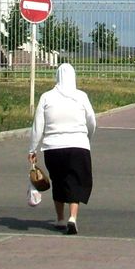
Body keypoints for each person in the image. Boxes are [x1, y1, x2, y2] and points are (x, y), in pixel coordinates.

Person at [29, 63, 97, 235]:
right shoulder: (81, 96)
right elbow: (92, 121)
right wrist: (87, 138)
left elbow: (38, 125)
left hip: (53, 148)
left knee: (58, 181)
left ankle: (60, 219)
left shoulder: (47, 97)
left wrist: (32, 149)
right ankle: (72, 218)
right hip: (78, 146)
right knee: (76, 181)